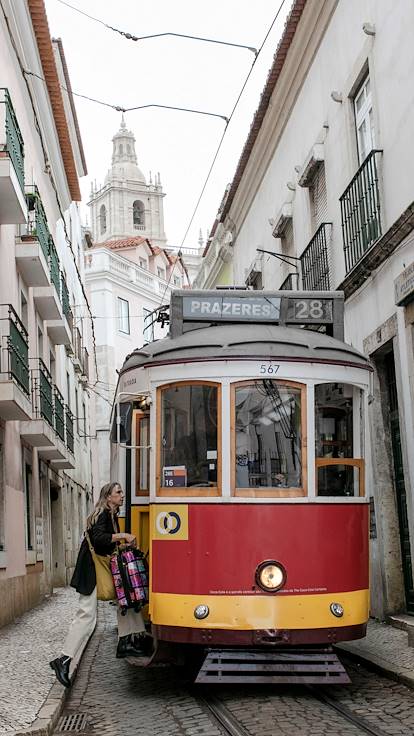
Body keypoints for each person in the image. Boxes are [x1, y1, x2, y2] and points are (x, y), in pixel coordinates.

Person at [49, 482, 149, 688]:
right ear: (108, 497)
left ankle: (128, 641)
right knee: (86, 615)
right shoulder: (102, 513)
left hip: (101, 569)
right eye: (118, 492)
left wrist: (122, 544)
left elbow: (106, 544)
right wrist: (123, 536)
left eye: (122, 491)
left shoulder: (111, 515)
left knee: (127, 600)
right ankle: (63, 660)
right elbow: (99, 538)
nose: (122, 495)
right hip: (91, 571)